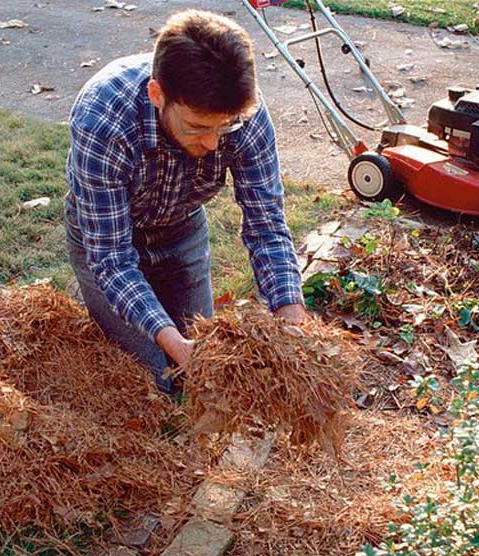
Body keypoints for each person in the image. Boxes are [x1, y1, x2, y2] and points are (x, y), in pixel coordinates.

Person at [64, 9, 307, 392]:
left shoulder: (244, 116)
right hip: (105, 237)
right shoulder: (104, 121)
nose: (213, 144)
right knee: (150, 380)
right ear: (157, 95)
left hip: (181, 228)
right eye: (197, 127)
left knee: (201, 372)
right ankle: (95, 301)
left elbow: (267, 227)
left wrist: (290, 312)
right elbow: (112, 257)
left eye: (223, 127)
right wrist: (172, 341)